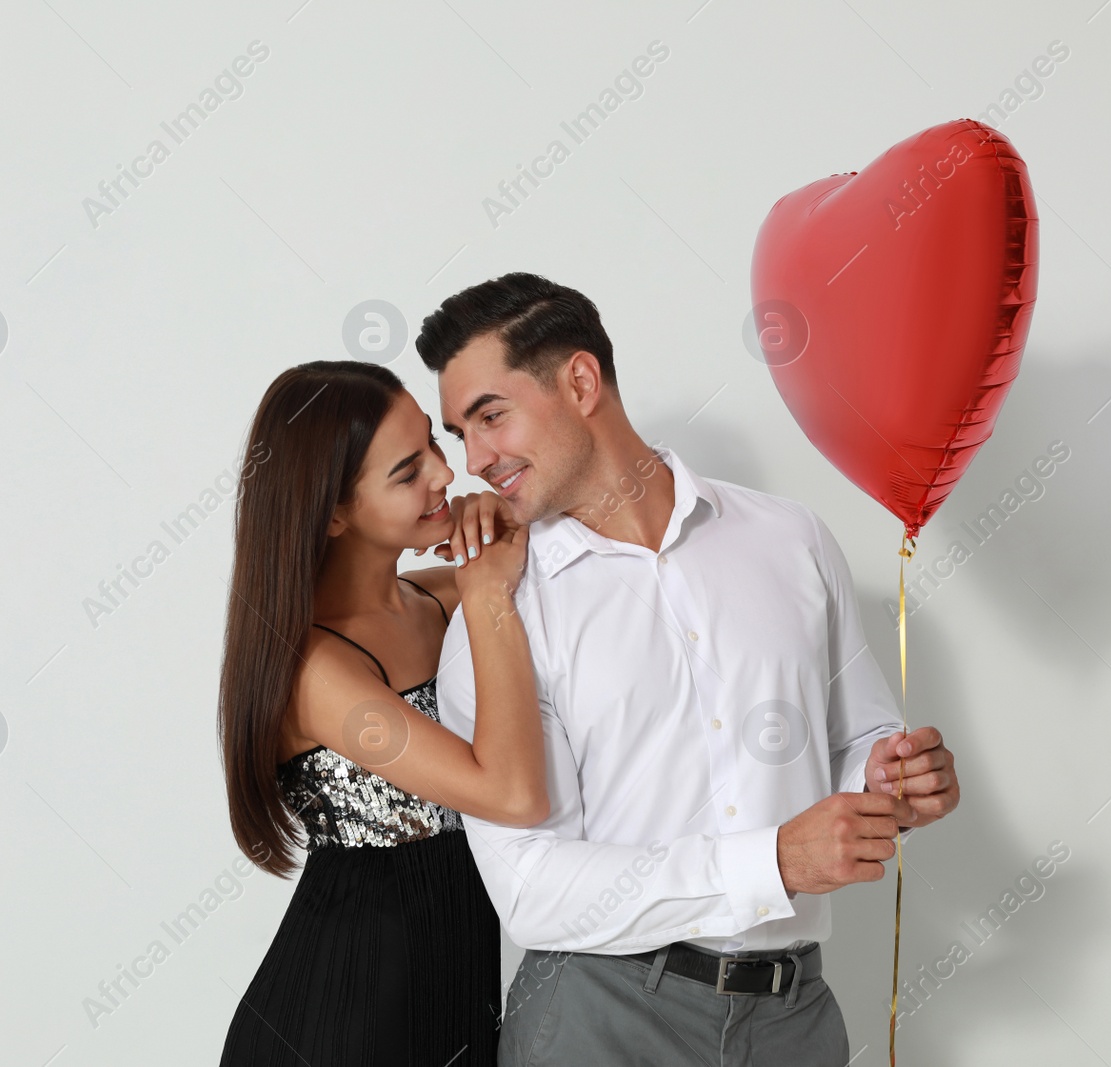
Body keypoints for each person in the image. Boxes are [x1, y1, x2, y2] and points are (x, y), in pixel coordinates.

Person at [416, 273, 963, 1066]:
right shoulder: (499, 613)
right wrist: (772, 860)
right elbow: (530, 888)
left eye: (490, 417)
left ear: (579, 380)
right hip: (598, 1021)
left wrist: (890, 780)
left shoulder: (790, 540)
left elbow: (860, 735)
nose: (476, 459)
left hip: (795, 1018)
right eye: (460, 432)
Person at [215, 359, 543, 1066]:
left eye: (433, 444)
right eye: (406, 471)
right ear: (332, 511)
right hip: (339, 1022)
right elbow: (512, 793)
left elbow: (545, 551)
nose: (445, 475)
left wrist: (501, 517)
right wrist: (486, 593)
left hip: (455, 1005)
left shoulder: (436, 599)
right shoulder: (314, 669)